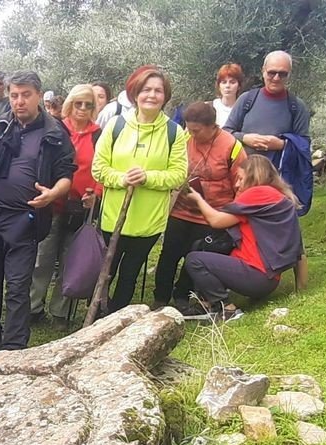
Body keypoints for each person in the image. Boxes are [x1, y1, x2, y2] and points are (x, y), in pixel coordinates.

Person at [0, 70, 75, 353]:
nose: (19, 101)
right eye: (14, 96)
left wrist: (52, 194)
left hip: (25, 219)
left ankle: (14, 346)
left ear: (39, 95)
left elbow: (66, 175)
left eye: (26, 95)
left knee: (17, 285)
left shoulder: (54, 132)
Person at [91, 65, 187, 314]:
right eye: (146, 90)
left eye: (158, 91)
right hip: (113, 219)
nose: (152, 95)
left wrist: (148, 177)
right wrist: (122, 179)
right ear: (135, 93)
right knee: (105, 272)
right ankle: (97, 312)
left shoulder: (174, 132)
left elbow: (178, 174)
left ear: (165, 96)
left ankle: (115, 316)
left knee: (129, 275)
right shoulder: (115, 126)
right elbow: (98, 168)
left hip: (148, 222)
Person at [223, 50, 313, 284]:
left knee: (290, 231)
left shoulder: (296, 106)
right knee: (238, 228)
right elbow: (227, 132)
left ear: (289, 75)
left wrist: (281, 144)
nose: (276, 78)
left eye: (282, 74)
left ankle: (301, 289)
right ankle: (243, 274)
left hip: (277, 182)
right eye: (271, 72)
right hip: (245, 178)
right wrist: (247, 138)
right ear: (263, 72)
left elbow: (304, 143)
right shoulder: (247, 100)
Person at [181, 154, 302, 322]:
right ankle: (207, 304)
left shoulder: (257, 192)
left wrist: (198, 200)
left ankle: (227, 309)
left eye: (240, 179)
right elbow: (300, 253)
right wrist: (301, 290)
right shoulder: (278, 197)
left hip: (255, 275)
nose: (237, 184)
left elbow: (216, 221)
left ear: (254, 177)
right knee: (206, 245)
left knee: (194, 260)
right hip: (269, 279)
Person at [154, 101, 244, 310]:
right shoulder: (184, 138)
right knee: (169, 254)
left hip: (211, 214)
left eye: (197, 130)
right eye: (189, 128)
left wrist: (232, 215)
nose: (192, 134)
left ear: (213, 126)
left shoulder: (231, 146)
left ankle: (183, 297)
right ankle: (160, 298)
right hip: (181, 211)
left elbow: (241, 183)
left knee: (194, 256)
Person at [31, 84, 101, 329]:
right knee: (42, 258)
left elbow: (102, 168)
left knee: (71, 259)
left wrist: (96, 195)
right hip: (52, 202)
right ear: (70, 103)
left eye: (88, 104)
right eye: (78, 103)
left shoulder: (99, 135)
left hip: (80, 206)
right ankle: (33, 308)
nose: (82, 109)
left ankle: (60, 312)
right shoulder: (55, 128)